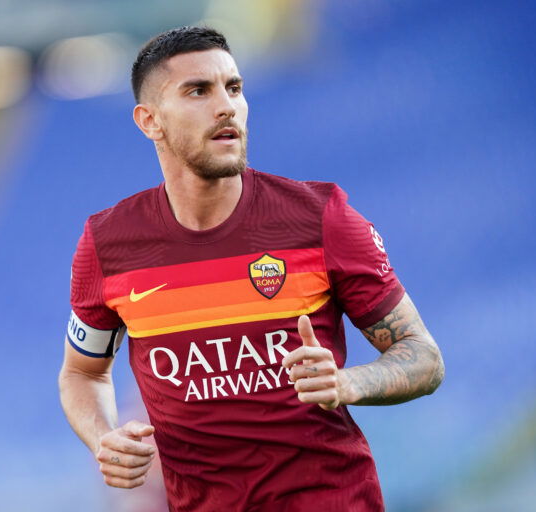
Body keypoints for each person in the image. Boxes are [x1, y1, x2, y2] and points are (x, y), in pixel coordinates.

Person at [58, 26, 445, 512]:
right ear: (149, 121)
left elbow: (424, 357)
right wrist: (103, 438)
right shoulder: (108, 244)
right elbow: (82, 374)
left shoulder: (321, 217)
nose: (226, 106)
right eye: (198, 90)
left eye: (234, 88)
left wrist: (349, 383)